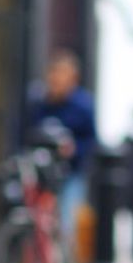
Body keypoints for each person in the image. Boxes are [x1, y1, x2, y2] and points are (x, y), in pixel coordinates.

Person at [28, 49, 97, 245]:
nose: (56, 80)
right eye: (53, 75)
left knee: (67, 222)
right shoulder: (40, 103)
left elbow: (92, 141)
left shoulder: (82, 106)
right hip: (42, 172)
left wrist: (75, 148)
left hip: (71, 173)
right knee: (37, 221)